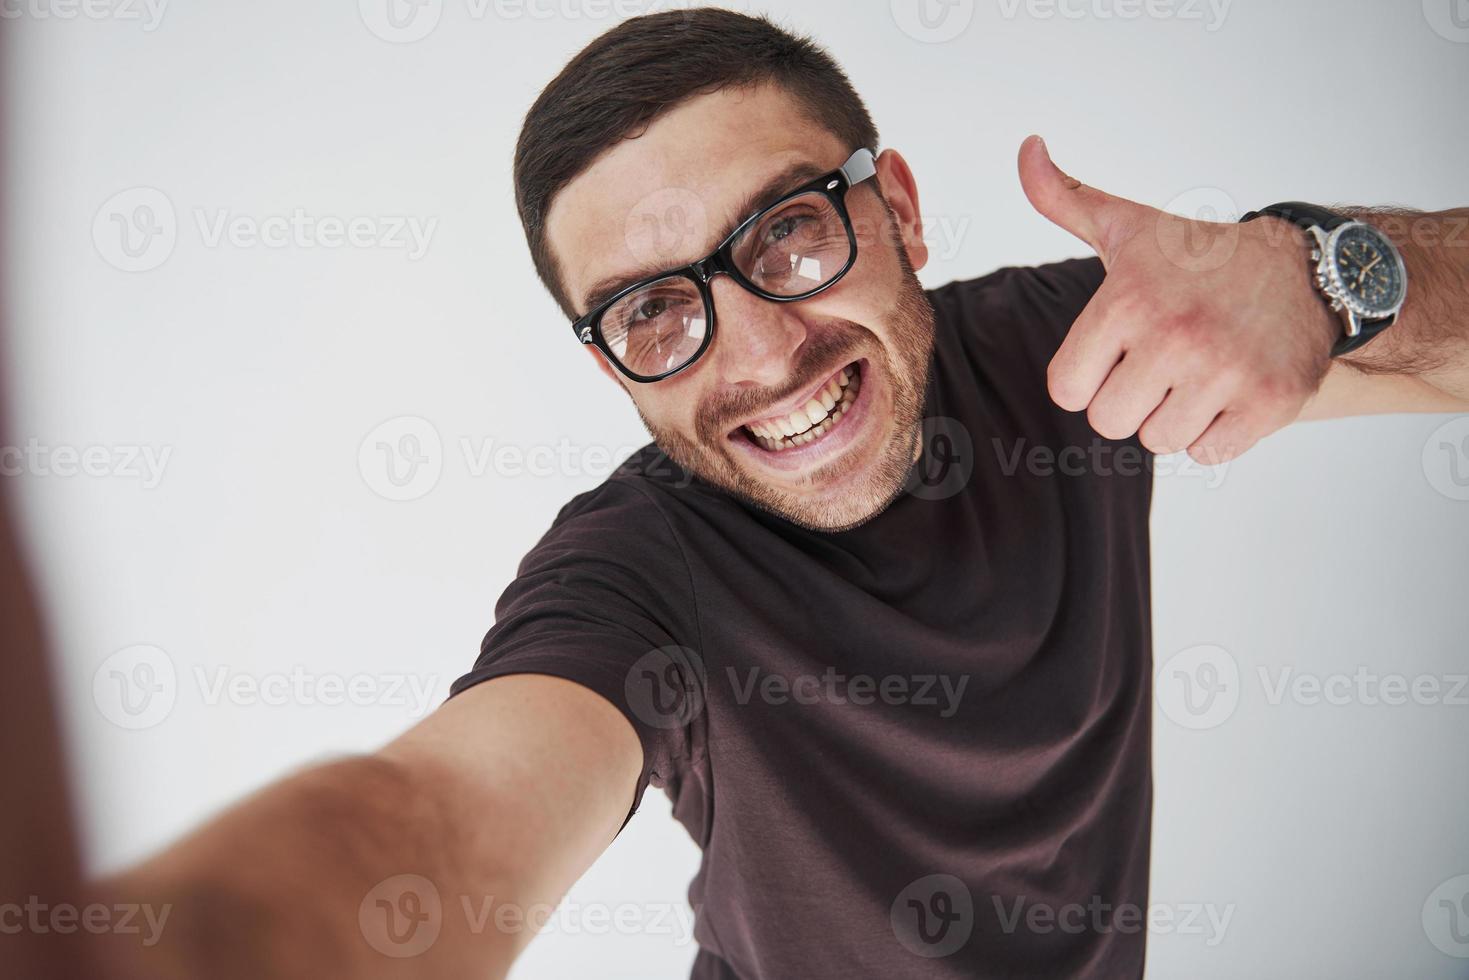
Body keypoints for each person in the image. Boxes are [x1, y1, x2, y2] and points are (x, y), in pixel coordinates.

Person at [87, 9, 1466, 979]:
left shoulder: (1071, 359)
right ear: (609, 366)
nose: (757, 355)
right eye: (648, 313)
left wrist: (1330, 273)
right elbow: (439, 824)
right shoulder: (635, 578)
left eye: (787, 233)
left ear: (902, 212)